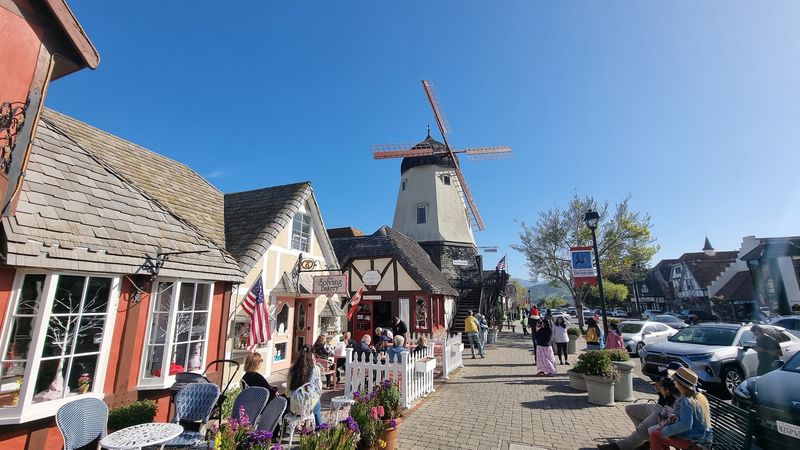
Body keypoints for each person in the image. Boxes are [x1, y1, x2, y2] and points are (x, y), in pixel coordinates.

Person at [598, 369, 679, 450]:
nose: (672, 379)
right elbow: (664, 401)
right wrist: (661, 393)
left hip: (667, 413)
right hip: (661, 407)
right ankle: (646, 441)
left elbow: (668, 408)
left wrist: (665, 393)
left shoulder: (681, 395)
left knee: (643, 429)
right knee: (630, 409)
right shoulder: (675, 388)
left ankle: (619, 446)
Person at [648, 367, 713, 450]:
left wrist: (667, 430)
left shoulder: (686, 401)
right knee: (657, 433)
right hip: (700, 439)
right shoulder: (696, 397)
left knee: (655, 434)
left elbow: (686, 424)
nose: (673, 381)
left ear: (679, 383)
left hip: (696, 443)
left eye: (674, 379)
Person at [287, 345, 323, 426]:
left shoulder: (292, 370)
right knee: (316, 402)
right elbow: (319, 389)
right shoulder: (316, 369)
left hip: (295, 407)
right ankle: (319, 427)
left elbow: (288, 392)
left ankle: (288, 429)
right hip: (310, 406)